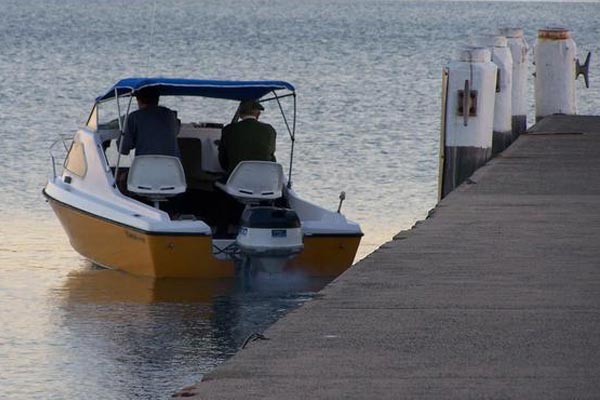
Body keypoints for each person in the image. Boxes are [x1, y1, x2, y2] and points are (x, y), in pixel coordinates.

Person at [119, 86, 181, 158]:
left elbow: (123, 149)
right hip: (172, 167)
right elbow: (176, 130)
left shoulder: (134, 117)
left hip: (145, 166)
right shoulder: (171, 115)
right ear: (157, 99)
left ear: (138, 100)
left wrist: (123, 130)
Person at [218, 100, 276, 175]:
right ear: (258, 114)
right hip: (263, 176)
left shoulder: (228, 129)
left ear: (240, 114)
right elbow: (271, 156)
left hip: (236, 178)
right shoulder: (270, 130)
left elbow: (222, 160)